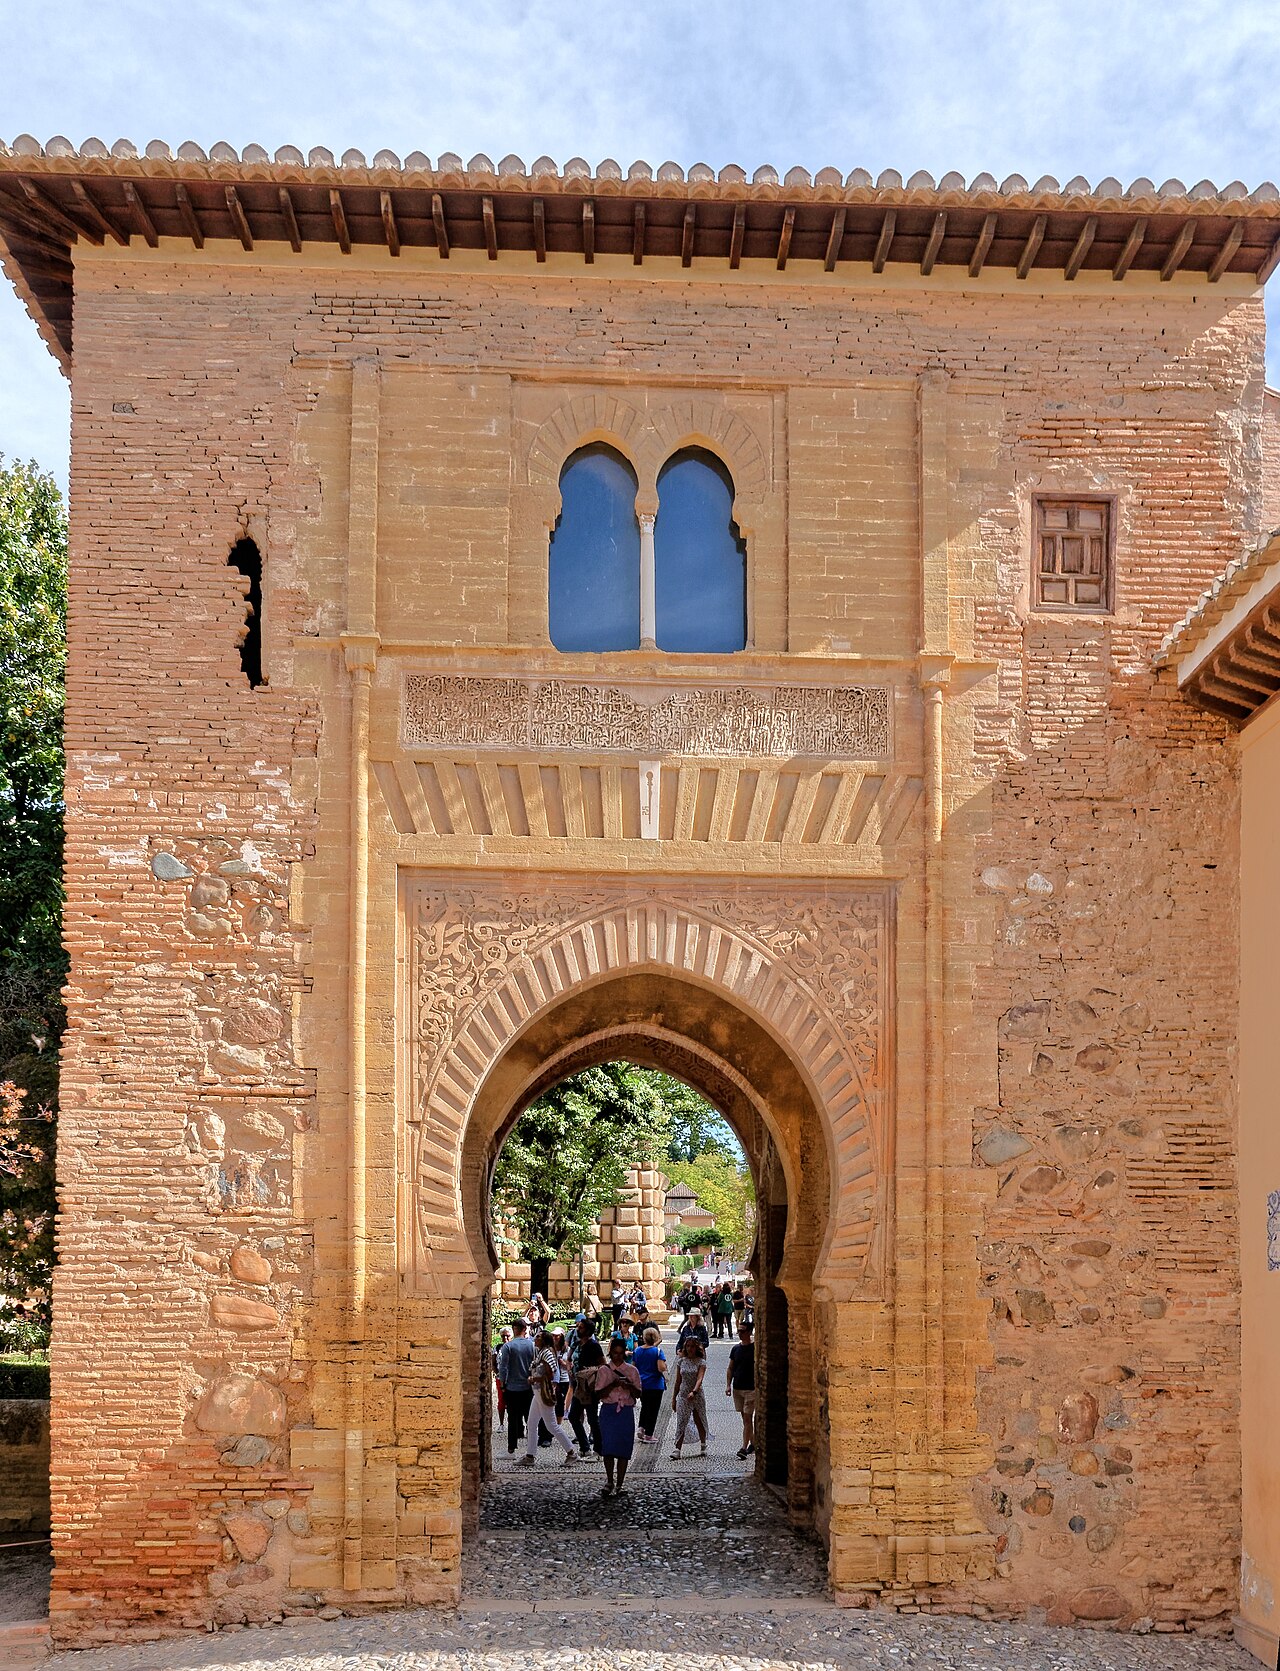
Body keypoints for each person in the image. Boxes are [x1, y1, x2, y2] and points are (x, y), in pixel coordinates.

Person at [516, 1329, 579, 1468]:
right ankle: (530, 1455)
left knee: (551, 1426)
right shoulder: (543, 1352)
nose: (535, 1339)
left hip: (544, 1392)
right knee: (532, 1424)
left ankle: (572, 1452)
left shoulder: (546, 1353)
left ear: (544, 1340)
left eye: (538, 1337)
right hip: (538, 1393)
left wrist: (534, 1378)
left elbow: (549, 1374)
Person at [594, 1335, 642, 1497]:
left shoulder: (632, 1370)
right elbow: (599, 1393)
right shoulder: (604, 1370)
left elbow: (638, 1393)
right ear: (611, 1353)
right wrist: (613, 1384)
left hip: (625, 1412)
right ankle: (609, 1480)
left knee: (623, 1448)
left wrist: (628, 1385)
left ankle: (620, 1483)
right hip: (608, 1410)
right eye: (615, 1353)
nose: (618, 1356)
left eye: (621, 1353)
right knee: (608, 1447)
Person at [496, 1318, 536, 1455]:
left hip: (512, 1387)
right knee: (530, 1418)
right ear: (525, 1330)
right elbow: (535, 1365)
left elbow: (503, 1368)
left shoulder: (508, 1347)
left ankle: (511, 1448)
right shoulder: (532, 1345)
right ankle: (531, 1450)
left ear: (514, 1330)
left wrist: (502, 1385)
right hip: (528, 1387)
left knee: (512, 1418)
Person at [567, 1318, 604, 1457]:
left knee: (592, 1418)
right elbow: (570, 1358)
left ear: (588, 1330)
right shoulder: (577, 1344)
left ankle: (599, 1448)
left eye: (581, 1327)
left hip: (589, 1386)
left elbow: (603, 1364)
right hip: (578, 1386)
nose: (578, 1329)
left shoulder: (594, 1345)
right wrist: (570, 1366)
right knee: (573, 1416)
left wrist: (590, 1373)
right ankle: (584, 1446)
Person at [671, 1338, 708, 1460]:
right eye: (688, 1346)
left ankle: (703, 1444)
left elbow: (699, 1378)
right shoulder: (681, 1362)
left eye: (692, 1346)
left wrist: (694, 1391)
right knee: (681, 1421)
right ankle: (677, 1448)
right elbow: (677, 1381)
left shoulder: (701, 1362)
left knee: (699, 1419)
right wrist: (674, 1398)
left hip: (696, 1395)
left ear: (696, 1348)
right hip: (683, 1395)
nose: (690, 1349)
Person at [633, 1325, 668, 1443]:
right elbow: (661, 1367)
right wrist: (665, 1367)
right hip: (655, 1385)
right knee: (653, 1410)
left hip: (642, 1384)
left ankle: (641, 1427)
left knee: (645, 1406)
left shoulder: (637, 1351)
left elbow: (633, 1366)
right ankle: (649, 1434)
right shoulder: (657, 1351)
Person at [726, 1321, 756, 1459]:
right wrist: (728, 1385)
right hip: (738, 1388)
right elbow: (731, 1368)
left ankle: (744, 1448)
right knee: (745, 1418)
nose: (740, 1333)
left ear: (750, 1332)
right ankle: (754, 1444)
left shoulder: (755, 1348)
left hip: (751, 1389)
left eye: (743, 1331)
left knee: (748, 1418)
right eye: (739, 1331)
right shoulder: (735, 1349)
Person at [493, 1324, 512, 1425]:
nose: (505, 1338)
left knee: (511, 1401)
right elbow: (493, 1362)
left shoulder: (513, 1346)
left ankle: (511, 1423)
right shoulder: (497, 1347)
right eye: (503, 1336)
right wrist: (497, 1373)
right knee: (501, 1401)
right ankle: (501, 1423)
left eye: (507, 1336)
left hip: (512, 1378)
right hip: (500, 1378)